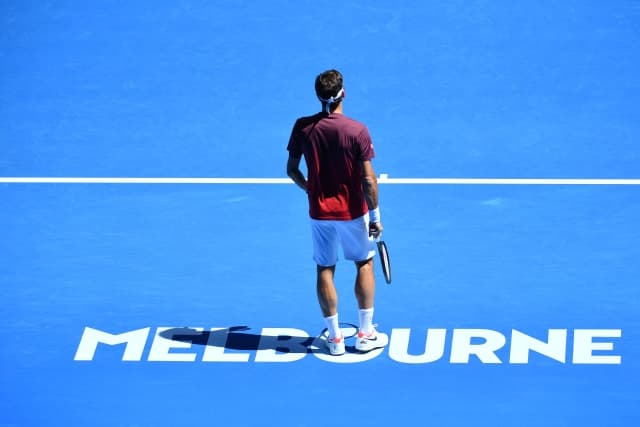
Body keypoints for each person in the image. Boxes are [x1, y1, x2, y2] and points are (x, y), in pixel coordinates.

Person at [286, 69, 388, 356]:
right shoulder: (357, 130)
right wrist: (376, 217)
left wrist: (310, 188)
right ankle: (366, 333)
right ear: (343, 93)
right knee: (364, 264)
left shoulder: (302, 127)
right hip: (353, 213)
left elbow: (291, 170)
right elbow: (368, 179)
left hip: (319, 213)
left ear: (318, 96)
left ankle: (334, 339)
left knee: (324, 269)